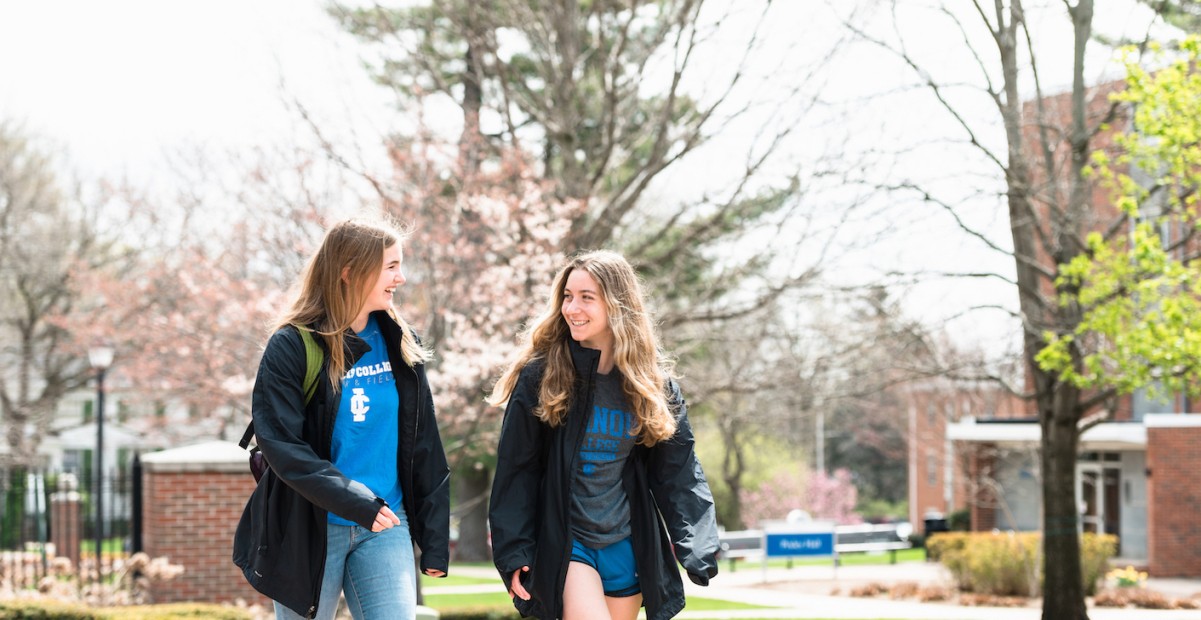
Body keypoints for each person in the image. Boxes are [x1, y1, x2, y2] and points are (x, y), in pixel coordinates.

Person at [233, 218, 450, 620]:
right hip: (310, 527)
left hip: (386, 522)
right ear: (349, 272)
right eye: (390, 267)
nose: (400, 278)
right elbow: (283, 447)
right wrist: (355, 500)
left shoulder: (402, 342)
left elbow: (424, 443)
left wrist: (434, 537)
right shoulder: (292, 346)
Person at [487, 250, 720, 620]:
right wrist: (514, 549)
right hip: (569, 543)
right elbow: (517, 469)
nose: (572, 308)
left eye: (586, 297)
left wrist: (698, 546)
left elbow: (679, 471)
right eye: (567, 296)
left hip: (627, 544)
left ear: (617, 304)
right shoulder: (543, 377)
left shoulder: (652, 388)